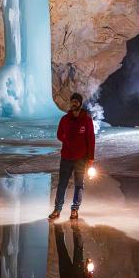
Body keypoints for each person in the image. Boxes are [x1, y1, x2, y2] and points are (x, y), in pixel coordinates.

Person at [48, 92, 95, 220]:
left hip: (81, 158)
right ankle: (57, 210)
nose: (73, 103)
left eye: (76, 101)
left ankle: (75, 209)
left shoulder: (86, 120)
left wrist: (91, 158)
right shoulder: (64, 119)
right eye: (72, 101)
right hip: (66, 157)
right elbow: (59, 134)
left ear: (80, 104)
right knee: (62, 184)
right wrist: (67, 140)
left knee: (79, 185)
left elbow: (91, 139)